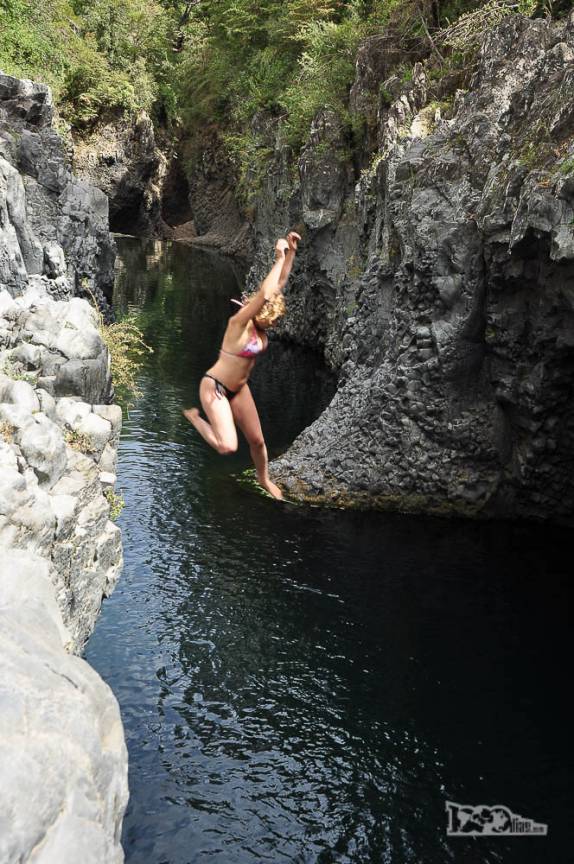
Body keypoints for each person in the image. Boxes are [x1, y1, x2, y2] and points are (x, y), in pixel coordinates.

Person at [183, 231, 301, 499]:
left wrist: (291, 253)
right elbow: (266, 291)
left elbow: (278, 284)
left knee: (258, 442)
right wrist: (278, 256)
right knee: (227, 446)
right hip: (215, 388)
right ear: (258, 312)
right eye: (270, 321)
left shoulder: (260, 326)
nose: (272, 326)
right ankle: (194, 419)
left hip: (240, 389)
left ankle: (264, 479)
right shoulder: (238, 325)